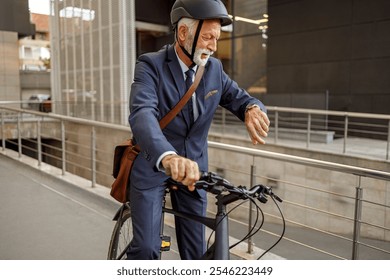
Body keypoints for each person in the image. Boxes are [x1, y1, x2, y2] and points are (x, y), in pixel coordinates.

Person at [127, 0, 270, 260]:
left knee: (196, 254)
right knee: (148, 248)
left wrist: (251, 108)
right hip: (154, 164)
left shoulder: (213, 69)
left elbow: (239, 97)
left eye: (217, 38)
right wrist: (167, 156)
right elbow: (142, 114)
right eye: (207, 37)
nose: (213, 46)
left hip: (193, 170)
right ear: (183, 34)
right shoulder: (150, 65)